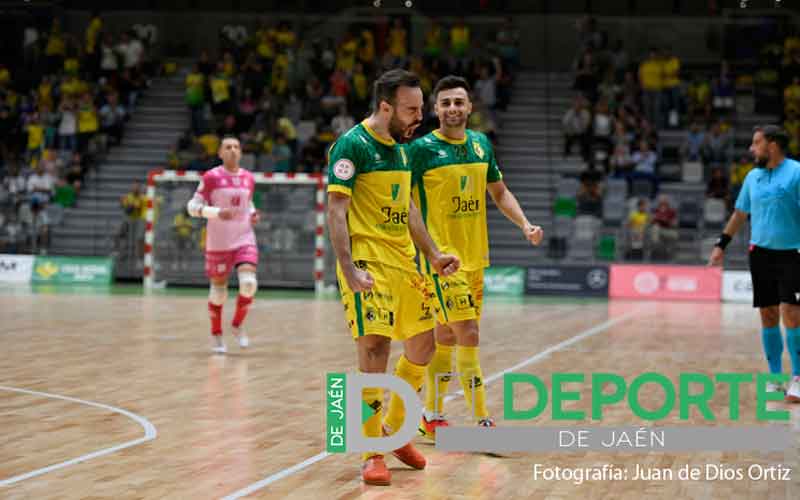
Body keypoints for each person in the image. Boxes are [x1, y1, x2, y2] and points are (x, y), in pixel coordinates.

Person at [326, 69, 460, 486]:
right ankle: (371, 452)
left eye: (421, 108)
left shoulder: (403, 151)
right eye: (412, 109)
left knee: (424, 345)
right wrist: (348, 269)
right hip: (366, 261)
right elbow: (336, 210)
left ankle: (396, 430)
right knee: (375, 347)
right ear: (385, 107)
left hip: (404, 262)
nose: (421, 116)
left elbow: (410, 211)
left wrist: (433, 254)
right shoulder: (352, 146)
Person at [409, 75, 543, 439]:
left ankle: (431, 415)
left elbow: (500, 194)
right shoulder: (419, 151)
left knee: (446, 338)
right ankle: (483, 421)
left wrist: (525, 224)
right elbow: (401, 202)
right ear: (435, 110)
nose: (452, 108)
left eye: (458, 102)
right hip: (441, 263)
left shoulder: (482, 145)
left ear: (470, 107)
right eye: (445, 103)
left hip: (474, 260)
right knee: (468, 332)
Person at [708, 125, 800, 402]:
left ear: (772, 145)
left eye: (756, 143)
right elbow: (739, 214)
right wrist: (721, 244)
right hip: (760, 254)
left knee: (792, 314)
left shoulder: (797, 172)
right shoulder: (752, 177)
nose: (751, 149)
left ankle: (797, 378)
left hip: (793, 253)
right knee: (768, 314)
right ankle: (774, 379)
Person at [187, 137, 261, 353]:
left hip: (244, 238)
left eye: (236, 147)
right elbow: (192, 207)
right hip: (218, 242)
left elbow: (248, 203)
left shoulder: (248, 177)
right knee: (219, 293)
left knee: (248, 283)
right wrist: (216, 212)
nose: (233, 150)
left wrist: (253, 213)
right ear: (220, 152)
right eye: (228, 147)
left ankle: (237, 325)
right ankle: (217, 333)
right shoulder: (211, 177)